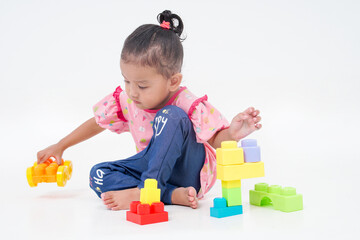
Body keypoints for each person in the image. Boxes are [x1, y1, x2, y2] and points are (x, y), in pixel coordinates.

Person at [37, 10, 262, 211]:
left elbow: (212, 142)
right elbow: (97, 122)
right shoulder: (129, 100)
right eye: (127, 81)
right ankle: (170, 195)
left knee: (170, 116)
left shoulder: (185, 102)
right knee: (98, 174)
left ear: (173, 81)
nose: (133, 92)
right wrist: (61, 146)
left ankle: (148, 191)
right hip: (152, 168)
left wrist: (232, 134)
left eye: (142, 86)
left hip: (187, 171)